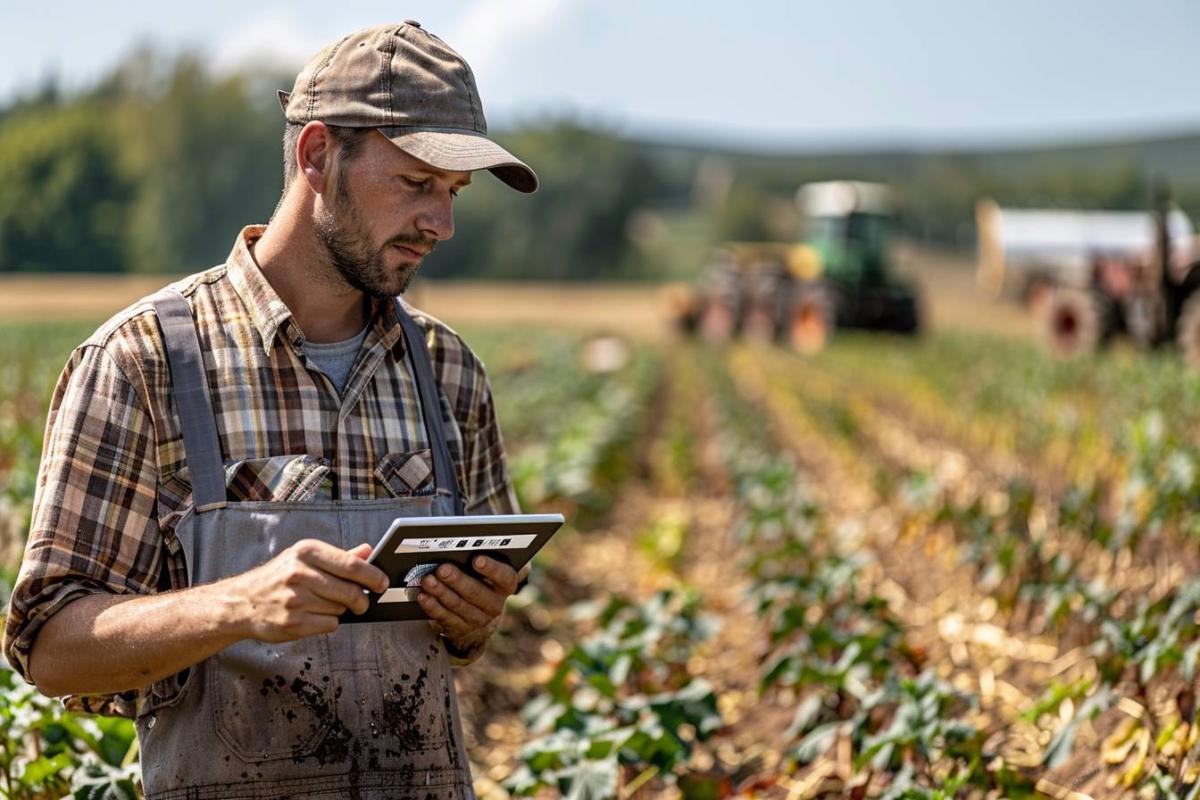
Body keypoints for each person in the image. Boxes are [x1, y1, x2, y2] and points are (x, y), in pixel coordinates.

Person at [2, 21, 538, 799]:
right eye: (417, 183)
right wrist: (240, 604)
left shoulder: (449, 370)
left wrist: (471, 617)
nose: (441, 224)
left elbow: (466, 636)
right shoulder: (144, 360)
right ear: (318, 155)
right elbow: (51, 648)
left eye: (452, 195)